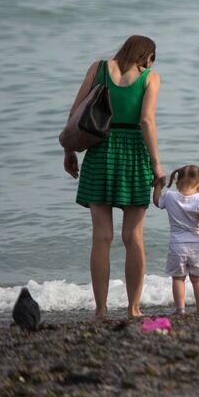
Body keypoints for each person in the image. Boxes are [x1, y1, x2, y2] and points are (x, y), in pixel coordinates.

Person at [63, 35, 163, 318]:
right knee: (133, 236)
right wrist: (156, 166)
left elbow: (76, 111)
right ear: (148, 56)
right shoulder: (150, 78)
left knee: (101, 237)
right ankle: (133, 308)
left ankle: (101, 310)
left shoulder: (98, 68)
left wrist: (69, 150)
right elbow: (146, 120)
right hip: (134, 153)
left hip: (100, 151)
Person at [152, 165, 199, 313]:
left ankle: (180, 309)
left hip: (177, 246)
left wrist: (158, 187)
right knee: (198, 279)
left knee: (178, 279)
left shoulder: (169, 196)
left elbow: (156, 202)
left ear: (176, 182)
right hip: (197, 246)